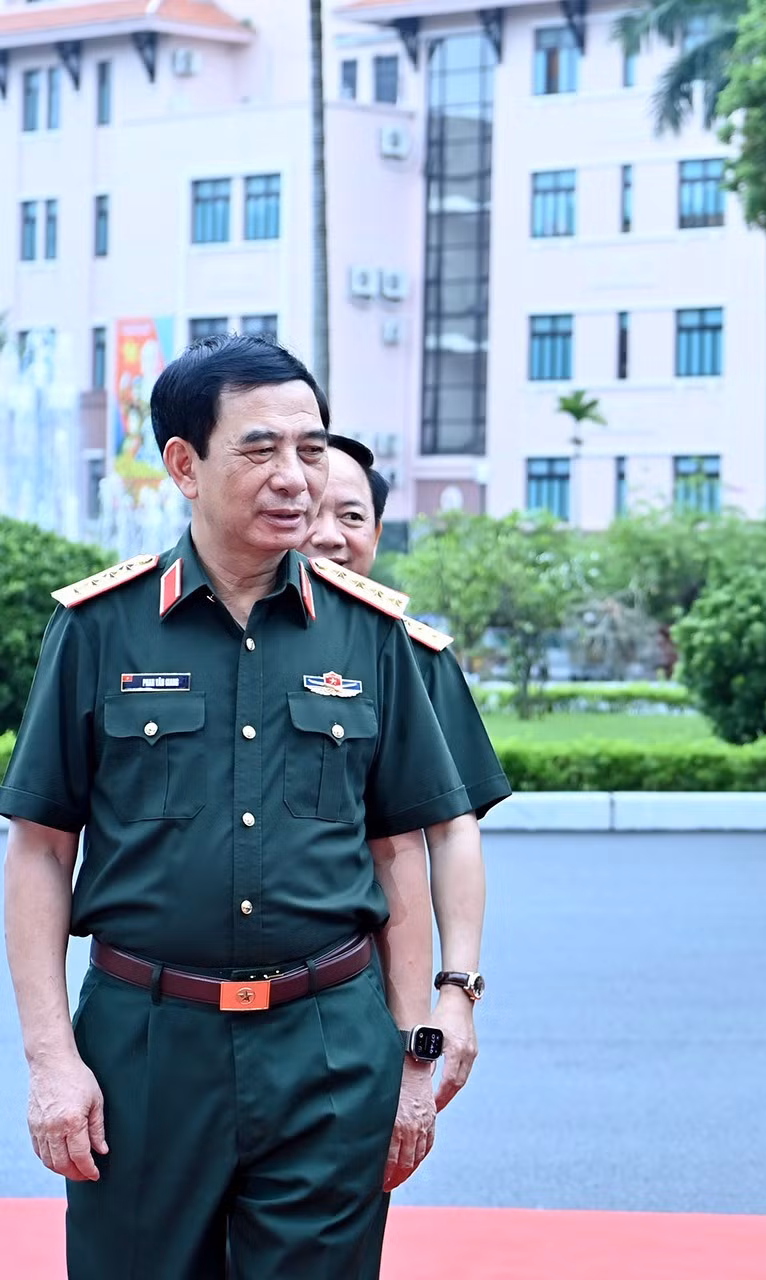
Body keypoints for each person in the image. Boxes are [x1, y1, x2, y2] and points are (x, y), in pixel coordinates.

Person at [0, 334, 471, 1279]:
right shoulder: (98, 628)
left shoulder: (371, 633)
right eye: (261, 450)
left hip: (328, 1044)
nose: (295, 477)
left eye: (310, 447)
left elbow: (401, 852)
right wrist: (52, 1061)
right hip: (143, 1045)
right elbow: (41, 849)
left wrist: (413, 1055)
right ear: (184, 463)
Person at [304, 434, 506, 1277]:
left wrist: (452, 994)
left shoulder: (409, 655)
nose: (325, 533)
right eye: (309, 511)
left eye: (351, 516)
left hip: (351, 999)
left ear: (378, 534)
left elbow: (451, 830)